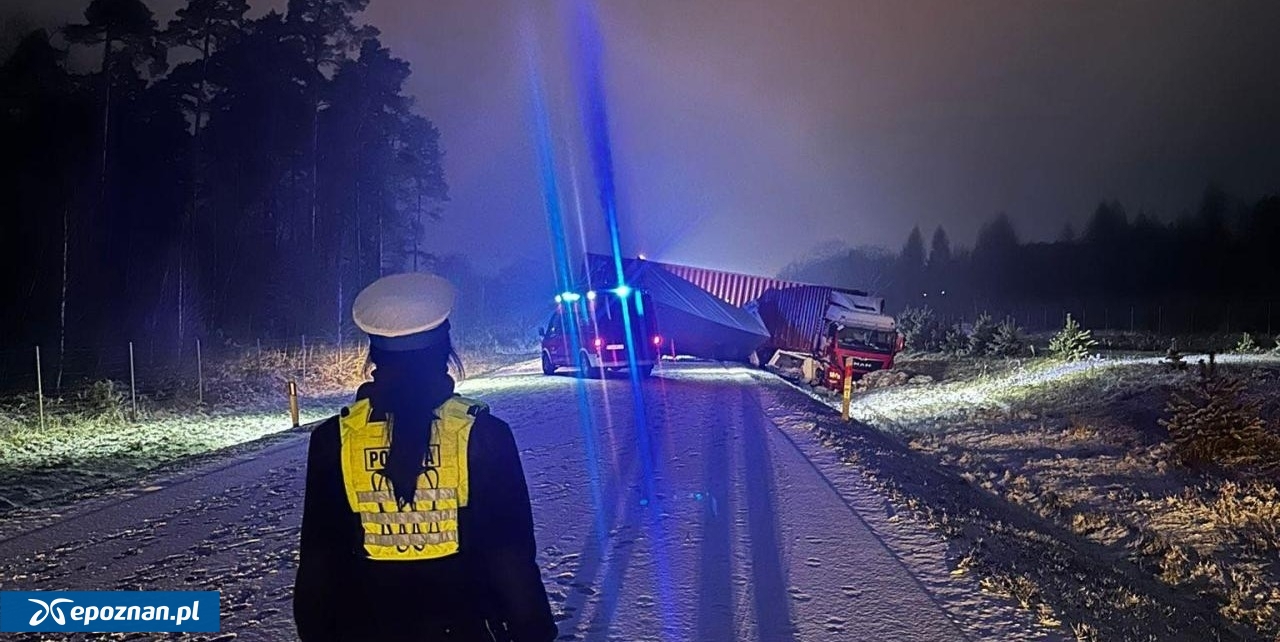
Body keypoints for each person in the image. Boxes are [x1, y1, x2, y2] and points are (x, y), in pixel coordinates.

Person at [294, 272, 558, 642]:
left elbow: (319, 566)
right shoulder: (485, 435)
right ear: (445, 350)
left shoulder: (333, 440)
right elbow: (510, 559)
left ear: (373, 355)